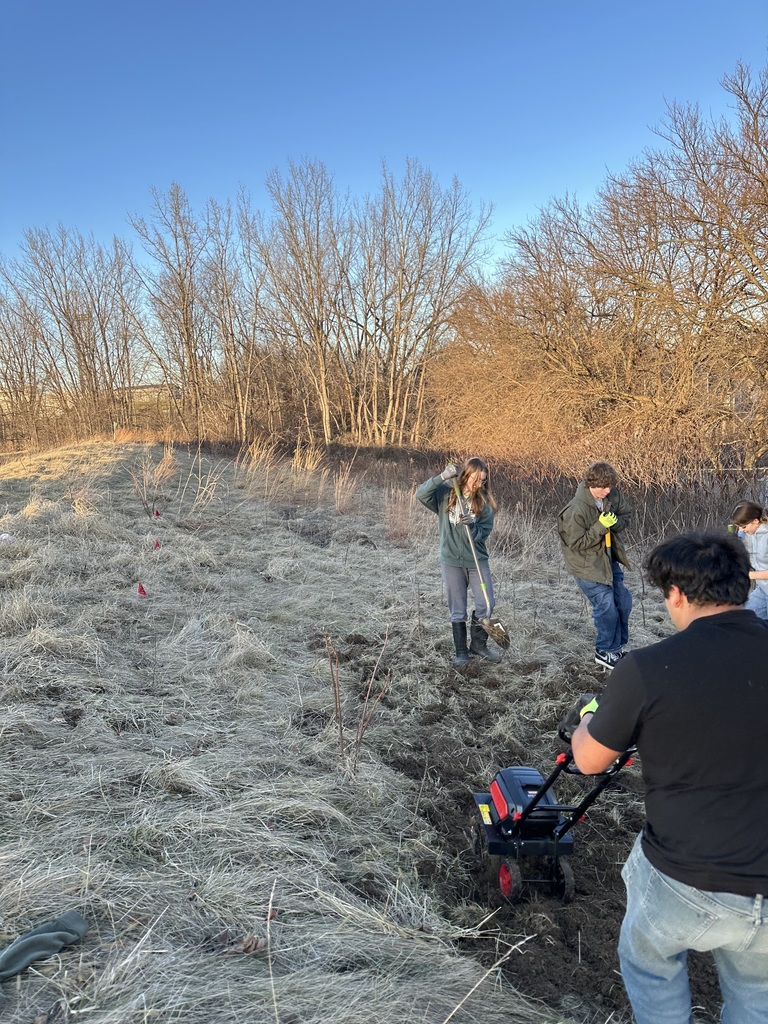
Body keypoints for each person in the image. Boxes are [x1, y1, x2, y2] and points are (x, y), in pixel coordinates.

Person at [564, 531, 768, 1024]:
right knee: (756, 998)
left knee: (650, 962)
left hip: (683, 880)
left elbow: (589, 761)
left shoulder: (646, 668)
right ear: (742, 585)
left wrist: (586, 722)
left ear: (676, 594)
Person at [416, 458, 501, 667]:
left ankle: (479, 645)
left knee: (486, 603)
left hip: (476, 561)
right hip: (452, 561)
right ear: (466, 475)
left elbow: (484, 533)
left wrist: (473, 526)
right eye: (475, 479)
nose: (478, 484)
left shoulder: (484, 503)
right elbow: (421, 494)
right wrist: (442, 477)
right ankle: (461, 652)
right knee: (458, 608)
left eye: (482, 480)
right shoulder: (446, 493)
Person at [556, 461, 632, 669]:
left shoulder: (612, 495)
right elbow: (576, 544)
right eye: (604, 487)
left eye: (611, 486)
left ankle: (616, 649)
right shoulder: (575, 509)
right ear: (592, 484)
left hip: (608, 559)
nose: (608, 491)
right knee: (606, 605)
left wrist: (614, 522)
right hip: (585, 565)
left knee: (623, 602)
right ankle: (604, 650)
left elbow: (626, 515)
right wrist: (600, 526)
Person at [730, 500, 768, 620]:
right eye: (738, 527)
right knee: (745, 618)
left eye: (744, 527)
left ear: (756, 521)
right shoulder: (750, 534)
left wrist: (748, 575)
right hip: (763, 589)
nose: (741, 530)